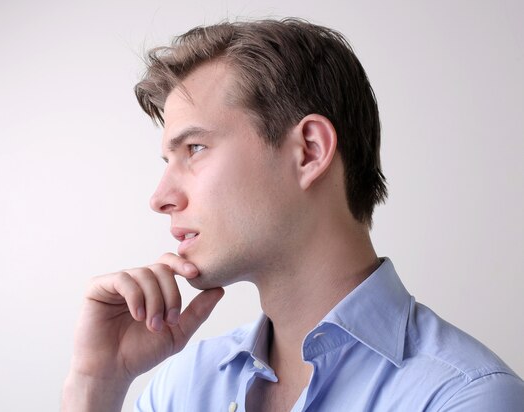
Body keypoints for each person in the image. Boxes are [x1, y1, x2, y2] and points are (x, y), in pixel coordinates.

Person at [62, 18, 524, 411]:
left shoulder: (464, 398)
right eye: (168, 161)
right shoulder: (183, 387)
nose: (160, 197)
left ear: (309, 151)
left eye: (195, 148)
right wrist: (96, 383)